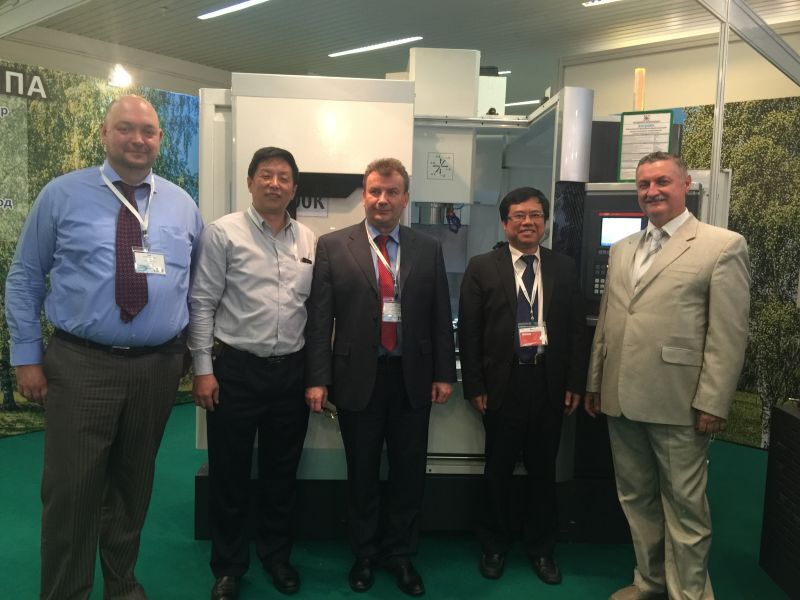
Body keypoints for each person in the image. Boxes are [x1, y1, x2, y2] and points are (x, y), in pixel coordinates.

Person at [5, 95, 203, 599]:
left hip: (158, 367)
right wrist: (26, 357)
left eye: (148, 131)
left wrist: (191, 354)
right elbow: (25, 277)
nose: (138, 139)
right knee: (71, 491)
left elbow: (197, 288)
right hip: (82, 364)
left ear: (160, 139)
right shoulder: (61, 195)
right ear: (104, 134)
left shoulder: (182, 204)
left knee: (132, 486)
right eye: (126, 128)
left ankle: (122, 585)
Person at [584, 152, 750, 600]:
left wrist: (713, 401)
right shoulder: (623, 249)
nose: (652, 191)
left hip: (679, 401)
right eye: (644, 184)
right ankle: (650, 582)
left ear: (685, 185)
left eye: (662, 182)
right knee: (636, 499)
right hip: (620, 397)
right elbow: (609, 319)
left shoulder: (721, 246)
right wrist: (595, 381)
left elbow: (728, 334)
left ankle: (688, 595)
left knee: (685, 509)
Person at [304, 158, 456, 597]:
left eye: (391, 192)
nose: (382, 199)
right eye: (374, 191)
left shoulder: (428, 247)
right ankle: (365, 554)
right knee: (362, 473)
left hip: (412, 379)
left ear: (405, 198)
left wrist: (444, 373)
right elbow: (320, 319)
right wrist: (318, 378)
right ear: (364, 196)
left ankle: (401, 555)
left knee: (409, 473)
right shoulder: (334, 246)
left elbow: (440, 314)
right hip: (357, 379)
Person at [189, 147, 316, 600]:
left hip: (291, 373)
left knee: (283, 472)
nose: (274, 184)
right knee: (230, 474)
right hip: (236, 371)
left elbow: (313, 310)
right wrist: (203, 369)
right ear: (250, 182)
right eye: (266, 175)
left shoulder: (309, 240)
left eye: (283, 177)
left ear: (294, 188)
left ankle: (276, 556)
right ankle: (228, 567)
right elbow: (201, 303)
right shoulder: (223, 233)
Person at [458, 187, 587, 585]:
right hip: (502, 384)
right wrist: (474, 385)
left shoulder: (564, 267)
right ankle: (494, 545)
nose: (527, 222)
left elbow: (576, 331)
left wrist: (574, 382)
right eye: (518, 215)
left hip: (548, 383)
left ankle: (542, 549)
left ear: (545, 222)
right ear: (505, 223)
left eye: (535, 215)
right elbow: (469, 332)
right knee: (497, 468)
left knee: (543, 470)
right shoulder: (482, 267)